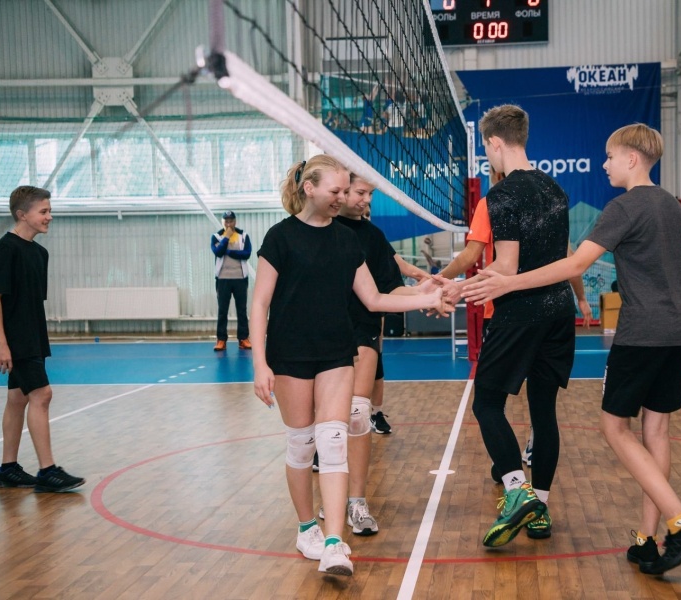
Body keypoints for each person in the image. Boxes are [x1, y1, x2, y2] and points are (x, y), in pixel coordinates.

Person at [463, 123, 681, 575]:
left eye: (610, 157)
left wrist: (507, 283)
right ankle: (646, 540)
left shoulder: (623, 207)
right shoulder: (675, 207)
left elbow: (575, 263)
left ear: (632, 159)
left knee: (615, 430)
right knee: (656, 434)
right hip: (679, 333)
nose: (604, 164)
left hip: (642, 334)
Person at [248, 155, 446, 576]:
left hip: (338, 353)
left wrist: (427, 297)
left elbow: (374, 299)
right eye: (335, 191)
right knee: (302, 445)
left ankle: (335, 543)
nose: (342, 198)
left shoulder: (347, 240)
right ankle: (307, 529)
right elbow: (260, 303)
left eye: (344, 191)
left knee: (334, 441)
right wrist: (260, 364)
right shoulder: (280, 237)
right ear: (309, 188)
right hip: (290, 355)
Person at [451, 104, 579, 547]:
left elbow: (505, 268)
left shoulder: (502, 195)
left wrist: (455, 290)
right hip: (559, 310)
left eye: (486, 149)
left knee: (486, 404)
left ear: (494, 142)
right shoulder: (555, 189)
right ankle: (539, 508)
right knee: (544, 413)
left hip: (520, 313)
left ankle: (516, 490)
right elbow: (561, 257)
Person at [329, 172, 444, 535]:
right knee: (328, 426)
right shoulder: (315, 230)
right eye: (360, 192)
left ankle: (356, 503)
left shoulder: (372, 236)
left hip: (362, 331)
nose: (367, 200)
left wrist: (429, 294)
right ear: (340, 190)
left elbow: (391, 288)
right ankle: (331, 499)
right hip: (321, 335)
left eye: (370, 194)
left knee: (358, 414)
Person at [0, 186, 86, 494]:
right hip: (16, 339)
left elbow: (31, 301)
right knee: (42, 395)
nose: (49, 216)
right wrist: (1, 342)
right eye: (43, 211)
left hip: (33, 336)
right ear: (22, 215)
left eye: (49, 211)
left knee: (18, 399)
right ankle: (47, 471)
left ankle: (8, 469)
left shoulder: (40, 253)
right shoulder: (6, 249)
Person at [211, 210, 252, 351]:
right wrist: (226, 237)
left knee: (242, 310)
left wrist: (229, 252)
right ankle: (221, 339)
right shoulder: (216, 237)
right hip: (223, 279)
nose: (229, 224)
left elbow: (246, 254)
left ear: (235, 221)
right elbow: (218, 252)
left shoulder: (243, 236)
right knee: (222, 310)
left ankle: (243, 338)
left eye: (231, 221)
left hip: (240, 278)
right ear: (222, 222)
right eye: (226, 221)